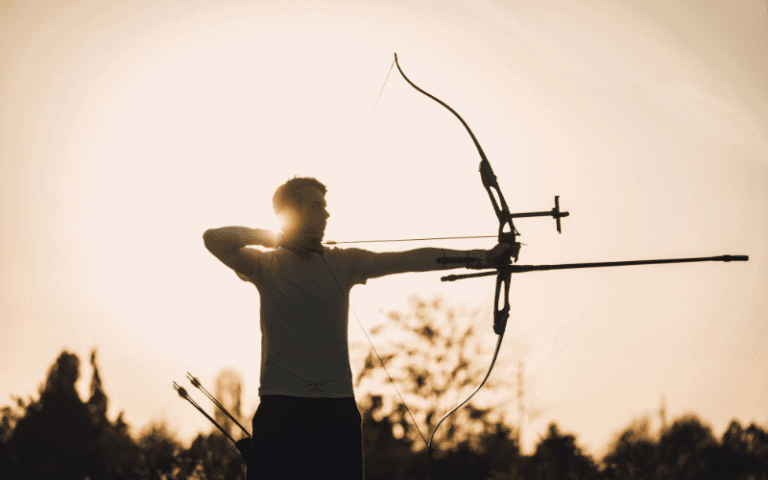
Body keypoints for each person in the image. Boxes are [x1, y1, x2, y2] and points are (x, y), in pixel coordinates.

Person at [203, 176, 515, 479]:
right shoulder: (265, 265)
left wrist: (484, 257)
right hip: (282, 408)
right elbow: (213, 238)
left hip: (337, 413)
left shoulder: (344, 262)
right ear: (292, 213)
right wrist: (279, 238)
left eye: (325, 206)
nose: (326, 213)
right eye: (316, 205)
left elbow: (413, 259)